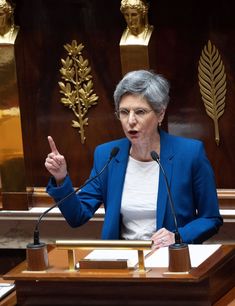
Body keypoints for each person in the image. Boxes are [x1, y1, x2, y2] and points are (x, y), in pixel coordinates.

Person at [45, 70, 223, 248]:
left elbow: (211, 218)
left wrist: (178, 236)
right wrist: (61, 178)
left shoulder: (189, 153)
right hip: (123, 261)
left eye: (140, 112)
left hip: (171, 260)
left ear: (160, 114)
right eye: (124, 112)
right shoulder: (108, 155)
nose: (131, 121)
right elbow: (77, 216)